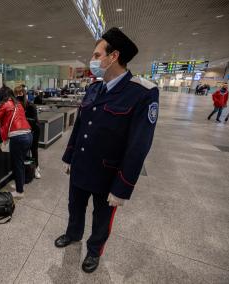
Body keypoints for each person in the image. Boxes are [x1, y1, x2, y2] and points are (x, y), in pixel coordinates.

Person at [54, 27, 159, 273]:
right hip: (81, 167)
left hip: (108, 174)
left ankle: (94, 251)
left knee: (102, 219)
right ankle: (73, 233)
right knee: (74, 206)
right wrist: (69, 156)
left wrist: (123, 186)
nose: (93, 60)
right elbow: (80, 126)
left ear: (113, 56)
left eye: (97, 54)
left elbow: (139, 145)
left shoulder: (142, 92)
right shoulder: (94, 89)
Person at [0, 86, 32, 198]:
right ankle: (21, 185)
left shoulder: (4, 105)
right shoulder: (18, 104)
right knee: (21, 162)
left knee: (17, 164)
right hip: (28, 135)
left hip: (18, 138)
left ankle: (19, 192)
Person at [15, 85, 41, 179]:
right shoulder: (16, 106)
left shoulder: (31, 106)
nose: (18, 97)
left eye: (20, 94)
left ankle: (36, 168)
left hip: (34, 130)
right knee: (23, 151)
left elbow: (33, 121)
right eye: (16, 94)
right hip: (23, 131)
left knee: (34, 149)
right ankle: (26, 169)